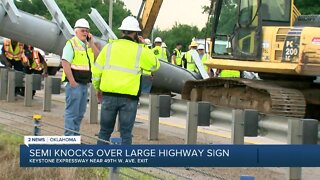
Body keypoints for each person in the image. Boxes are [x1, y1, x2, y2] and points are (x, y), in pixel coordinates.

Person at [92, 16, 160, 145]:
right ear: (136, 33)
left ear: (122, 31)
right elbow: (154, 65)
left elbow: (96, 71)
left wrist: (98, 88)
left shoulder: (109, 48)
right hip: (129, 98)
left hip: (109, 96)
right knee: (126, 134)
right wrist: (145, 46)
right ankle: (124, 163)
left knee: (104, 131)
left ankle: (99, 162)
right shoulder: (140, 50)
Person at [61, 18, 99, 136]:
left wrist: (92, 43)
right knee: (72, 113)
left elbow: (98, 57)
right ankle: (69, 139)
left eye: (87, 31)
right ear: (76, 31)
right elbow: (65, 62)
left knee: (80, 113)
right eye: (83, 30)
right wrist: (72, 81)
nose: (85, 33)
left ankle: (75, 137)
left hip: (83, 84)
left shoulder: (87, 46)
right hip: (74, 84)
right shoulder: (71, 44)